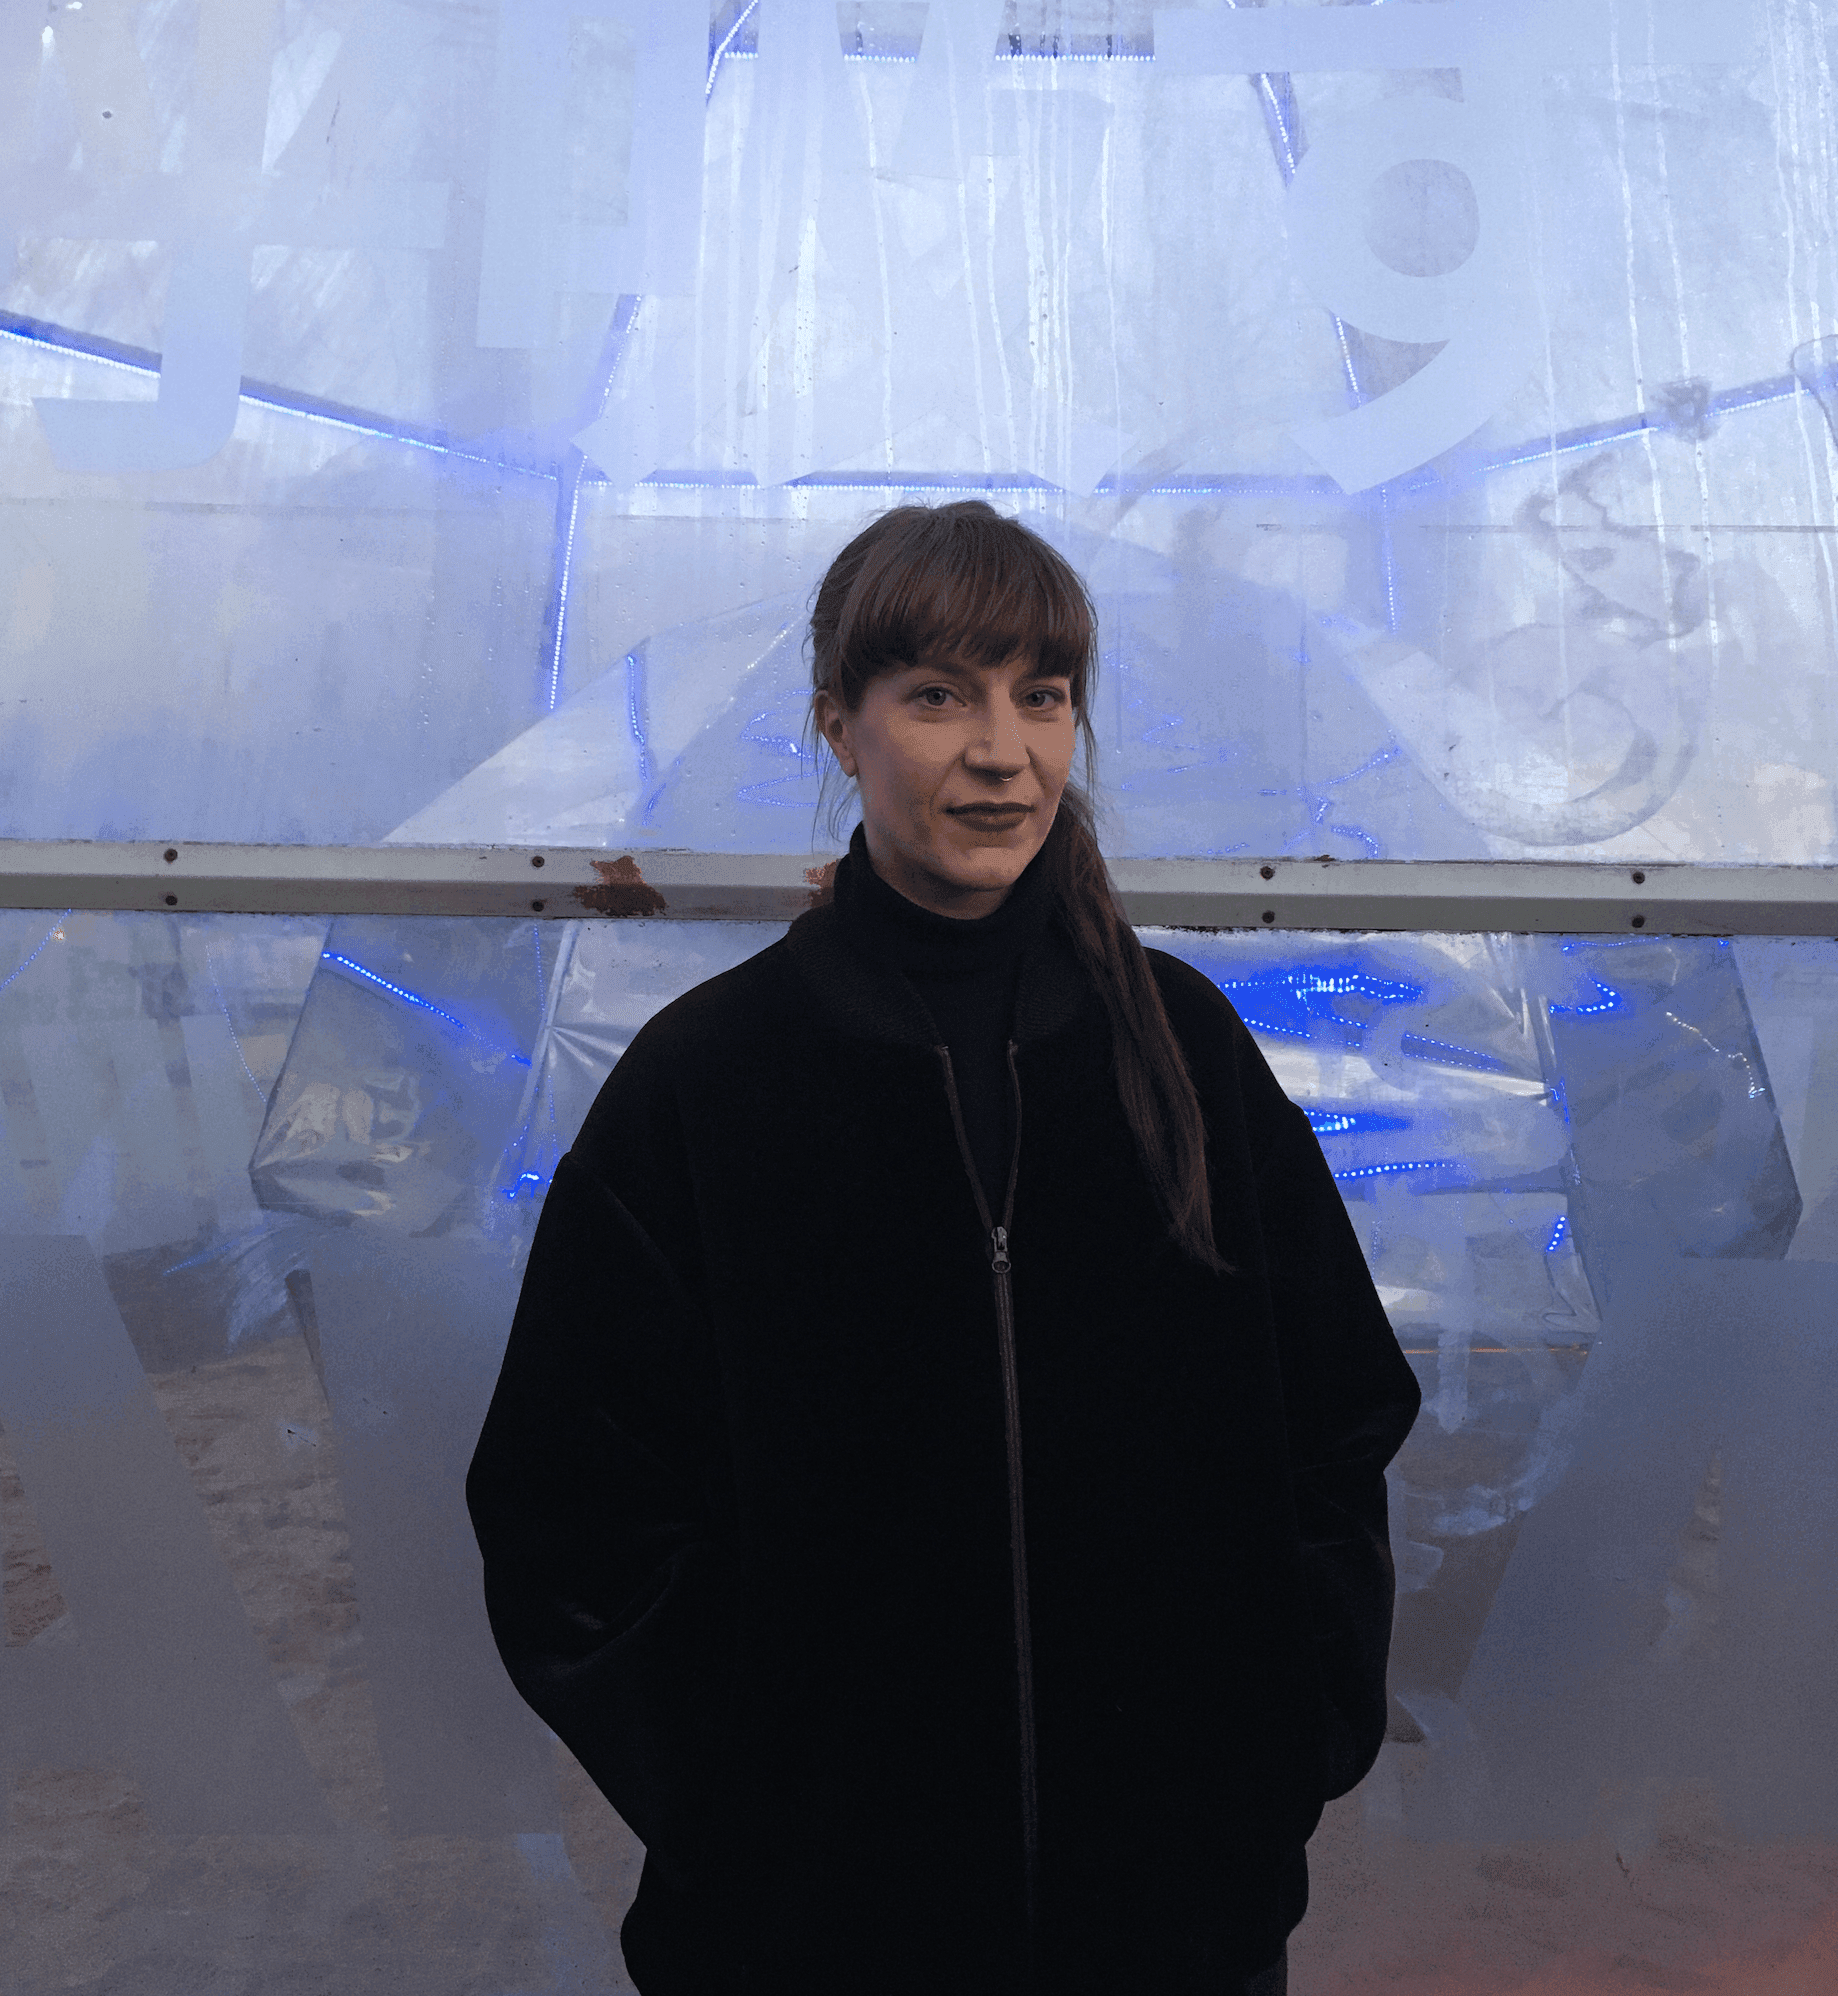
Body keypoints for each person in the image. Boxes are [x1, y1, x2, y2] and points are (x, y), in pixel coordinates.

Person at [466, 501, 1422, 1996]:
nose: (1002, 752)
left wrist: (1270, 1752)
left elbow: (1338, 1415)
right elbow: (565, 1508)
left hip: (1171, 1924)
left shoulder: (1181, 1051)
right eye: (936, 696)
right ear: (836, 727)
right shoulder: (709, 1084)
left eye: (1041, 696)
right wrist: (749, 1808)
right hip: (809, 1937)